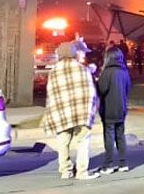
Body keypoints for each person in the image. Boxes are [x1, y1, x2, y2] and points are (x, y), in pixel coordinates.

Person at [41, 42, 99, 180]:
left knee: (63, 141)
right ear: (74, 54)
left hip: (62, 113)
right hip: (81, 113)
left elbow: (51, 93)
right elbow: (90, 92)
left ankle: (65, 171)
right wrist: (91, 109)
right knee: (83, 141)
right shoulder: (82, 69)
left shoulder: (53, 72)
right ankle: (82, 172)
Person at [96, 45, 133, 174]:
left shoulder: (107, 72)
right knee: (120, 135)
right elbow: (128, 89)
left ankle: (108, 164)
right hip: (121, 108)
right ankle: (123, 163)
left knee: (109, 136)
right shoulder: (124, 72)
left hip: (108, 109)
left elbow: (101, 90)